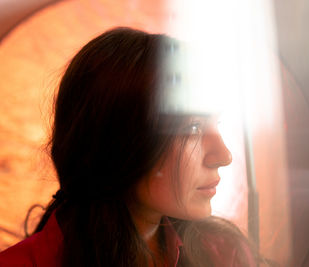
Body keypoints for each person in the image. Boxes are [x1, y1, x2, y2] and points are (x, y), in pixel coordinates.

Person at [0, 27, 261, 267]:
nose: (223, 156)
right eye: (191, 128)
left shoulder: (223, 253)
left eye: (217, 123)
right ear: (116, 140)